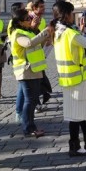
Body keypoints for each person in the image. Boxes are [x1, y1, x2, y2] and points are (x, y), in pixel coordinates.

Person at [52, 1, 86, 157]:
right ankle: (74, 146)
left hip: (70, 77)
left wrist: (81, 30)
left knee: (81, 111)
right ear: (66, 15)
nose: (73, 15)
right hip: (75, 78)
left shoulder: (59, 31)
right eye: (71, 13)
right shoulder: (69, 33)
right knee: (75, 114)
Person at [9, 8, 53, 138]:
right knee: (30, 101)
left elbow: (36, 46)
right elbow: (29, 43)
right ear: (20, 22)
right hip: (25, 71)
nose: (30, 20)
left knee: (32, 100)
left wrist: (46, 38)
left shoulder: (27, 31)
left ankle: (30, 126)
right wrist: (45, 31)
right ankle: (28, 128)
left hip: (33, 70)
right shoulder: (17, 33)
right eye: (27, 18)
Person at [29, 0, 54, 112]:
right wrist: (33, 27)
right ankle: (35, 103)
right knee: (34, 81)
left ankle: (39, 99)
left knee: (39, 79)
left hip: (41, 52)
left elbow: (42, 34)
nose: (44, 9)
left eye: (44, 7)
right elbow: (29, 36)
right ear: (34, 8)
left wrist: (48, 39)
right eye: (41, 7)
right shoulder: (28, 18)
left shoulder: (42, 20)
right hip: (30, 54)